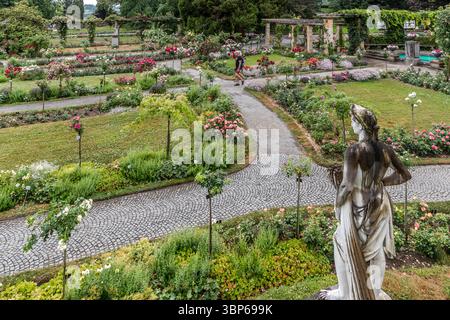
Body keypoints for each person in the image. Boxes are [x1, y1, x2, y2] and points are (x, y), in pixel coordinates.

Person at [320, 104, 411, 300]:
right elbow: (404, 175)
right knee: (375, 249)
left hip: (360, 205)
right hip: (380, 204)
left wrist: (337, 208)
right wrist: (381, 182)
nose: (351, 124)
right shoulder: (385, 149)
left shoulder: (354, 150)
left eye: (353, 121)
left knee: (340, 241)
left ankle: (345, 293)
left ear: (360, 126)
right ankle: (374, 293)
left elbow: (346, 186)